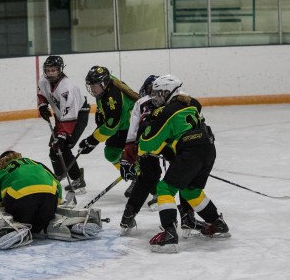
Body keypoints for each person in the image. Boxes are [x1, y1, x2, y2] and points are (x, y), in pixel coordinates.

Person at [135, 74, 230, 253]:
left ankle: (169, 234)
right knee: (190, 190)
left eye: (158, 93)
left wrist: (144, 135)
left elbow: (150, 145)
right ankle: (217, 223)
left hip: (190, 153)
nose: (155, 97)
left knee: (165, 189)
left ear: (168, 92)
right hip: (208, 148)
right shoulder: (190, 103)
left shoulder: (168, 112)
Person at [119, 75, 207, 237]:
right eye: (154, 92)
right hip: (156, 144)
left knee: (166, 178)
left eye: (158, 92)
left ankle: (129, 216)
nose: (155, 96)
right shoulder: (148, 103)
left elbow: (132, 135)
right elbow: (133, 135)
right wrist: (128, 156)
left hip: (166, 145)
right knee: (156, 177)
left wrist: (129, 156)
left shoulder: (179, 100)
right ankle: (130, 215)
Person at [0, 151, 101, 249]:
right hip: (49, 198)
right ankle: (70, 225)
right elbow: (57, 185)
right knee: (43, 221)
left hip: (21, 202)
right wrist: (57, 206)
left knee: (5, 209)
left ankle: (13, 229)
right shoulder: (35, 163)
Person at [37, 55, 90, 196]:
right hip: (62, 116)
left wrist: (62, 136)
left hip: (77, 116)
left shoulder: (67, 88)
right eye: (48, 70)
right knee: (54, 149)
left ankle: (78, 179)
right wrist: (42, 106)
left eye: (53, 70)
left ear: (60, 70)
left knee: (64, 147)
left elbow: (70, 116)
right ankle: (59, 176)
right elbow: (41, 93)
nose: (50, 73)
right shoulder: (43, 80)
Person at [79, 65, 139, 176]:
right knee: (111, 153)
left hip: (131, 127)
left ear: (103, 83)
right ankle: (133, 174)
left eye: (95, 85)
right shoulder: (108, 81)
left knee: (114, 152)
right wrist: (100, 111)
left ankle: (140, 177)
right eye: (91, 85)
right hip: (124, 124)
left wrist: (93, 140)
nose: (92, 89)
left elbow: (111, 127)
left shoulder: (112, 99)